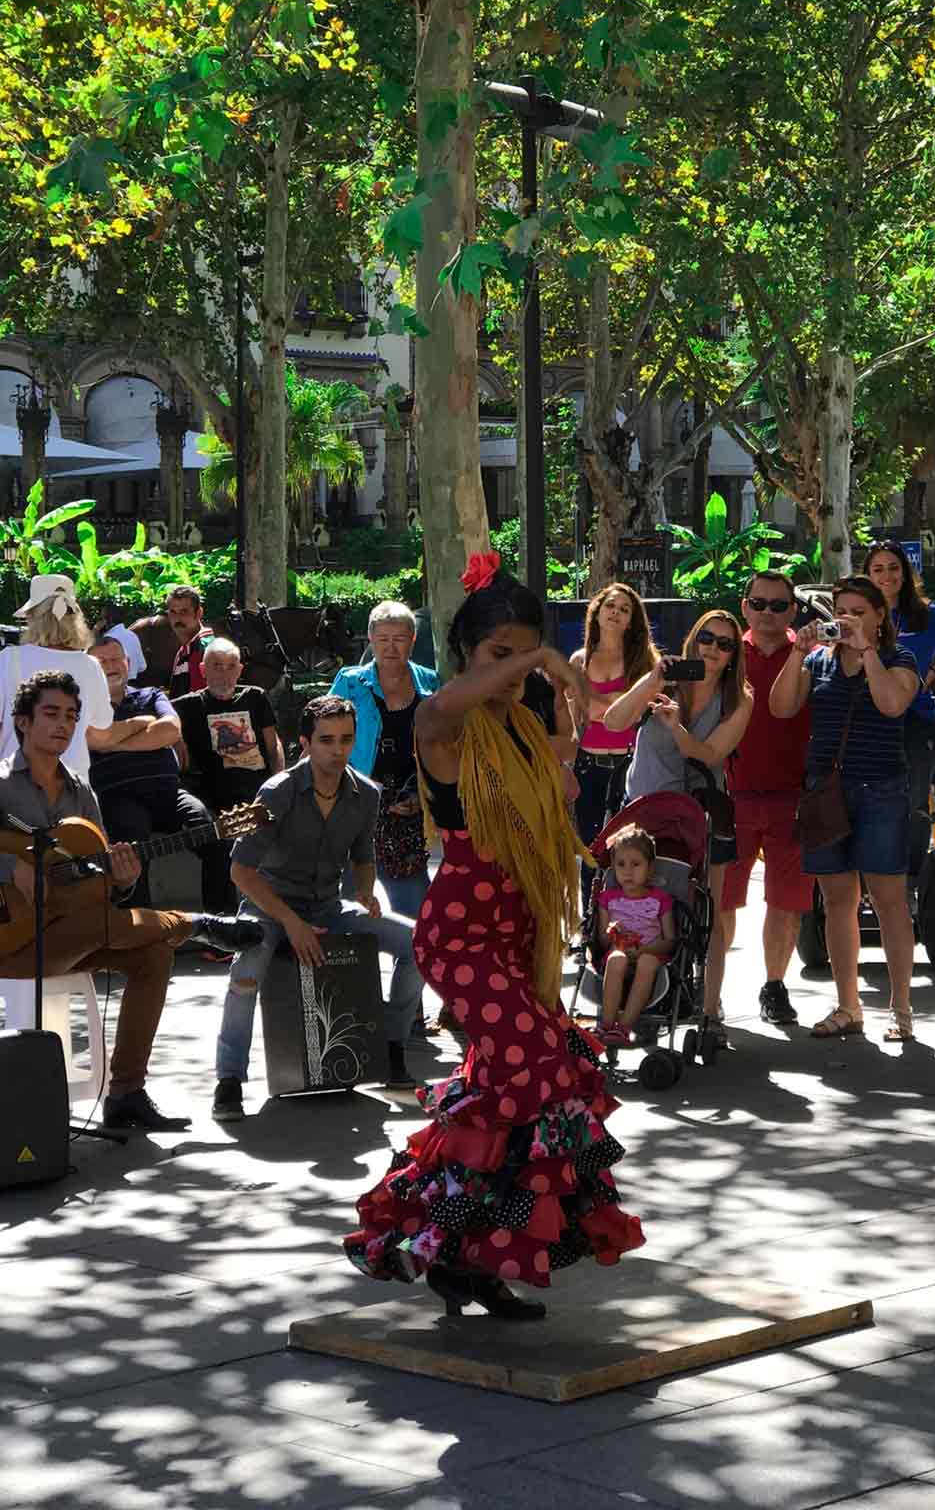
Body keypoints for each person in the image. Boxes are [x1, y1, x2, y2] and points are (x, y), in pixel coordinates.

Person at [345, 555, 643, 1318]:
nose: (514, 669)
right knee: (539, 1069)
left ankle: (464, 1252)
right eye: (497, 654)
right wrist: (543, 658)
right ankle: (451, 1240)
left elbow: (565, 773)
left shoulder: (518, 723)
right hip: (462, 936)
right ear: (468, 657)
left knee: (503, 1099)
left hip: (514, 938)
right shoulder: (445, 727)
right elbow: (440, 707)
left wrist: (564, 714)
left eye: (523, 651)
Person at [0, 669, 257, 1132]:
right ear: (22, 722)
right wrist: (11, 868)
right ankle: (193, 923)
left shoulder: (81, 791)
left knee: (152, 954)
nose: (62, 725)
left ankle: (126, 1094)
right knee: (109, 926)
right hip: (13, 941)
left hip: (74, 931)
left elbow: (96, 877)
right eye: (50, 714)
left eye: (71, 716)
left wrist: (123, 880)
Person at [211, 694, 424, 1120]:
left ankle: (391, 1047)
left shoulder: (366, 794)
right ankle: (229, 1080)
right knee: (246, 972)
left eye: (346, 739)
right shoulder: (278, 791)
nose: (338, 750)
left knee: (419, 944)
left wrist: (366, 890)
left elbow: (364, 856)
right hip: (269, 907)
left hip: (328, 905)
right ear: (305, 743)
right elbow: (241, 872)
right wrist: (290, 923)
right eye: (326, 740)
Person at [770, 575, 920, 1042]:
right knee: (838, 901)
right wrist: (798, 653)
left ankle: (901, 1009)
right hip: (826, 791)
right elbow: (780, 709)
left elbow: (893, 704)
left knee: (889, 901)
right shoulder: (819, 662)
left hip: (881, 790)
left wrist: (867, 650)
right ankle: (848, 1005)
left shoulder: (899, 658)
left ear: (880, 616)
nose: (849, 618)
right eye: (843, 610)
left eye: (859, 610)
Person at [606, 609, 753, 1042]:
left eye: (725, 644)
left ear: (733, 656)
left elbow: (709, 754)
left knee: (711, 914)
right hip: (643, 810)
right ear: (694, 640)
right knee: (636, 904)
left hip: (698, 815)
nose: (713, 650)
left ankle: (709, 1009)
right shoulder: (665, 678)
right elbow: (613, 722)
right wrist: (650, 682)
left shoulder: (739, 698)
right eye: (707, 639)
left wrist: (676, 726)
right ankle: (639, 1000)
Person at [717, 571, 816, 1035]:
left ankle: (775, 985)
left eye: (779, 605)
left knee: (785, 900)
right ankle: (709, 991)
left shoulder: (814, 656)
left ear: (793, 610)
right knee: (722, 899)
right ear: (745, 606)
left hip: (793, 796)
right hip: (730, 795)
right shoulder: (724, 654)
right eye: (760, 604)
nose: (768, 613)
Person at [865, 545, 935, 874]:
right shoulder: (858, 615)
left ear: (905, 572)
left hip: (915, 721)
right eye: (878, 570)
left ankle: (911, 879)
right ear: (868, 575)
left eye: (893, 568)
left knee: (912, 804)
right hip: (868, 723)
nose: (886, 576)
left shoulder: (927, 615)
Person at [329, 601, 440, 922]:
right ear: (370, 639)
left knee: (414, 907)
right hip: (355, 799)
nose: (391, 646)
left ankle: (411, 966)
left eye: (400, 638)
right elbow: (326, 739)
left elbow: (447, 747)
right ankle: (346, 970)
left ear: (413, 640)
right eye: (383, 638)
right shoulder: (350, 682)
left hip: (408, 804)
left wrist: (423, 794)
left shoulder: (432, 684)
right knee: (348, 903)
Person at [87, 638, 216, 907]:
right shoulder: (83, 706)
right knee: (131, 852)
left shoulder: (151, 695)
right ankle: (140, 932)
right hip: (120, 798)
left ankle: (222, 929)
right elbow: (92, 738)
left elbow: (170, 730)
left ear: (128, 663)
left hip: (170, 794)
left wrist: (112, 742)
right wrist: (143, 725)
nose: (111, 666)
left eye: (116, 659)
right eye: (102, 661)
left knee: (213, 834)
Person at [0, 575, 114, 779]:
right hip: (72, 783)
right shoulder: (91, 665)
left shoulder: (11, 658)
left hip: (17, 781)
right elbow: (102, 728)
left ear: (33, 617)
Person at [568, 584, 658, 890]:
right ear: (597, 611)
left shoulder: (644, 661)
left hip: (629, 764)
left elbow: (633, 714)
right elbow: (580, 713)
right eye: (610, 606)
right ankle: (590, 922)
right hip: (588, 763)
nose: (616, 613)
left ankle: (628, 915)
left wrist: (598, 702)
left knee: (629, 848)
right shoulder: (580, 660)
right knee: (591, 849)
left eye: (624, 610)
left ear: (632, 621)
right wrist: (619, 700)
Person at [178, 637, 284, 810]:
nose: (224, 673)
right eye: (217, 666)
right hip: (215, 797)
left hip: (260, 791)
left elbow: (273, 745)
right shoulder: (188, 705)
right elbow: (158, 716)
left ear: (240, 670)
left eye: (231, 666)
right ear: (203, 670)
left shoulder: (255, 697)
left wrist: (278, 780)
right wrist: (175, 736)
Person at [593, 824, 676, 1044]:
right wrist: (613, 933)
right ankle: (606, 1024)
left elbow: (669, 941)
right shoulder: (607, 899)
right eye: (620, 865)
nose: (627, 871)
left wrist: (643, 949)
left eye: (635, 864)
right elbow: (601, 940)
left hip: (650, 952)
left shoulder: (660, 900)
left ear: (650, 868)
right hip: (618, 950)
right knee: (616, 960)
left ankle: (624, 1027)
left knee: (647, 962)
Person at [164, 585, 213, 698]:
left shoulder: (204, 648)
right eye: (173, 612)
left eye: (184, 611)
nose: (178, 618)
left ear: (199, 613)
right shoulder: (185, 650)